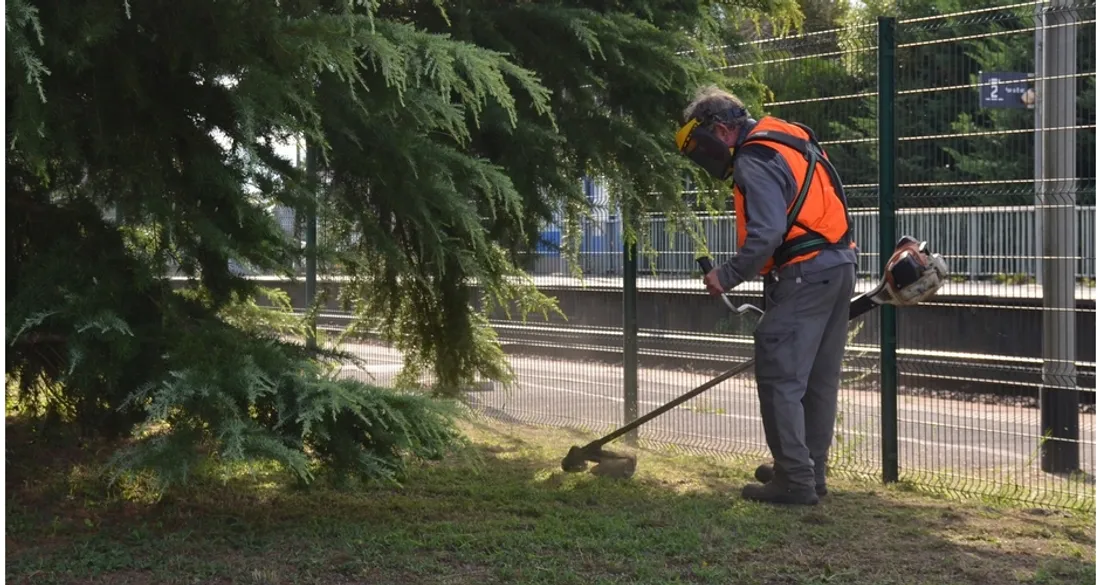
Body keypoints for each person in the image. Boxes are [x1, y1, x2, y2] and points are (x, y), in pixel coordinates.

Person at [675, 85, 859, 506]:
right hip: (840, 265)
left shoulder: (753, 158)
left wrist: (728, 275)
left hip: (804, 272)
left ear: (721, 131)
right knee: (817, 379)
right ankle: (809, 471)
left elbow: (768, 232)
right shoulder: (791, 139)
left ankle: (795, 481)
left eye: (702, 146)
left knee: (779, 374)